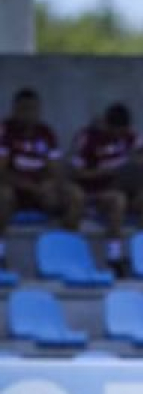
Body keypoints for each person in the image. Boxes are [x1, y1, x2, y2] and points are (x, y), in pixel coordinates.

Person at [69, 102, 143, 275]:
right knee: (117, 200)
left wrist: (139, 161)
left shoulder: (128, 135)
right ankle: (114, 257)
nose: (120, 135)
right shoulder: (88, 137)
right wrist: (105, 172)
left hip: (126, 188)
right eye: (117, 131)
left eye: (124, 132)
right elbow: (77, 173)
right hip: (96, 194)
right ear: (108, 125)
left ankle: (140, 256)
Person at [0, 88, 82, 265]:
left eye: (33, 109)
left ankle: (65, 253)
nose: (29, 114)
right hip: (15, 192)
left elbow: (55, 169)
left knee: (74, 195)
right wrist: (29, 186)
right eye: (24, 109)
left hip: (40, 191)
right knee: (3, 196)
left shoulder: (46, 133)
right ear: (15, 109)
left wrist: (51, 184)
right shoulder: (5, 131)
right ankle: (1, 252)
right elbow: (2, 170)